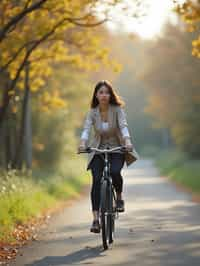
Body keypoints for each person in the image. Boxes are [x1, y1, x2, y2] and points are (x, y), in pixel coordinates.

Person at [78, 80, 139, 233]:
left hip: (116, 147)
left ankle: (118, 197)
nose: (104, 95)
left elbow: (123, 125)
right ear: (96, 95)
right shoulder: (93, 111)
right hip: (98, 149)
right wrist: (82, 142)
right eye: (101, 92)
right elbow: (86, 128)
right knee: (96, 180)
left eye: (107, 92)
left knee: (115, 172)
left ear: (110, 95)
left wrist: (127, 141)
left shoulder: (117, 109)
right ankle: (96, 220)